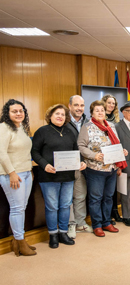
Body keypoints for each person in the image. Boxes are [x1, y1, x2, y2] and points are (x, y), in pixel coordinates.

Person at [32, 104, 86, 248]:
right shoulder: (42, 131)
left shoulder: (69, 132)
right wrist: (44, 165)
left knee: (65, 206)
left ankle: (63, 232)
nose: (60, 116)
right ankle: (53, 235)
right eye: (57, 114)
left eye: (63, 114)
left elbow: (76, 152)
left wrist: (81, 162)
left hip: (68, 177)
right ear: (50, 116)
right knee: (52, 207)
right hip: (49, 177)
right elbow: (34, 152)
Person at [78, 100, 128, 237]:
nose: (100, 113)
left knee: (108, 197)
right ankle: (97, 225)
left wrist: (121, 151)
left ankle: (107, 222)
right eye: (97, 111)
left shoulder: (111, 125)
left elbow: (116, 143)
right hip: (95, 169)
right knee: (96, 198)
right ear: (92, 113)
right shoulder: (87, 127)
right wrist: (94, 155)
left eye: (102, 110)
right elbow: (81, 146)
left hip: (111, 169)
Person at [0, 99, 36, 256]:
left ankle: (18, 241)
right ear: (7, 113)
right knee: (17, 208)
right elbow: (1, 153)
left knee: (22, 207)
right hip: (12, 174)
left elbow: (25, 152)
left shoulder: (21, 128)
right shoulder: (3, 128)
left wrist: (29, 169)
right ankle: (20, 242)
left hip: (26, 173)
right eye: (14, 111)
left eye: (21, 111)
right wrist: (11, 173)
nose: (19, 113)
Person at [66, 95, 92, 239]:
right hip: (68, 165)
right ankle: (71, 224)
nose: (79, 108)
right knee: (68, 197)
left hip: (84, 165)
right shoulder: (64, 121)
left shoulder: (87, 122)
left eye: (81, 105)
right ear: (69, 106)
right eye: (76, 105)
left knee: (81, 195)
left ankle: (81, 222)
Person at [101, 94, 122, 223]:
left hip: (114, 159)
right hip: (102, 160)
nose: (111, 105)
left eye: (113, 103)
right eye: (109, 103)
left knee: (112, 190)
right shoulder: (98, 120)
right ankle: (105, 217)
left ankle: (114, 211)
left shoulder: (116, 121)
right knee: (103, 192)